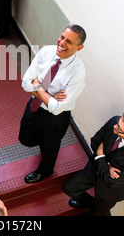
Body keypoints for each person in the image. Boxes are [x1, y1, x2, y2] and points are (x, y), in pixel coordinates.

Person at [20, 25, 86, 183]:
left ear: (79, 47)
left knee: (50, 146)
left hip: (56, 118)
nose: (62, 42)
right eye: (62, 37)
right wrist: (50, 96)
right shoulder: (46, 51)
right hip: (35, 105)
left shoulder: (78, 72)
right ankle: (41, 142)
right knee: (26, 138)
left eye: (69, 41)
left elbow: (57, 109)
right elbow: (25, 83)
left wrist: (38, 87)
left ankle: (45, 171)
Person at [62, 111, 124, 216]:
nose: (114, 126)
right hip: (95, 169)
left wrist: (100, 155)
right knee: (69, 188)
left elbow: (111, 182)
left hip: (111, 189)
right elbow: (95, 142)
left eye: (119, 129)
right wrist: (108, 165)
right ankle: (90, 203)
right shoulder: (115, 121)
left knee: (98, 213)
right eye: (118, 122)